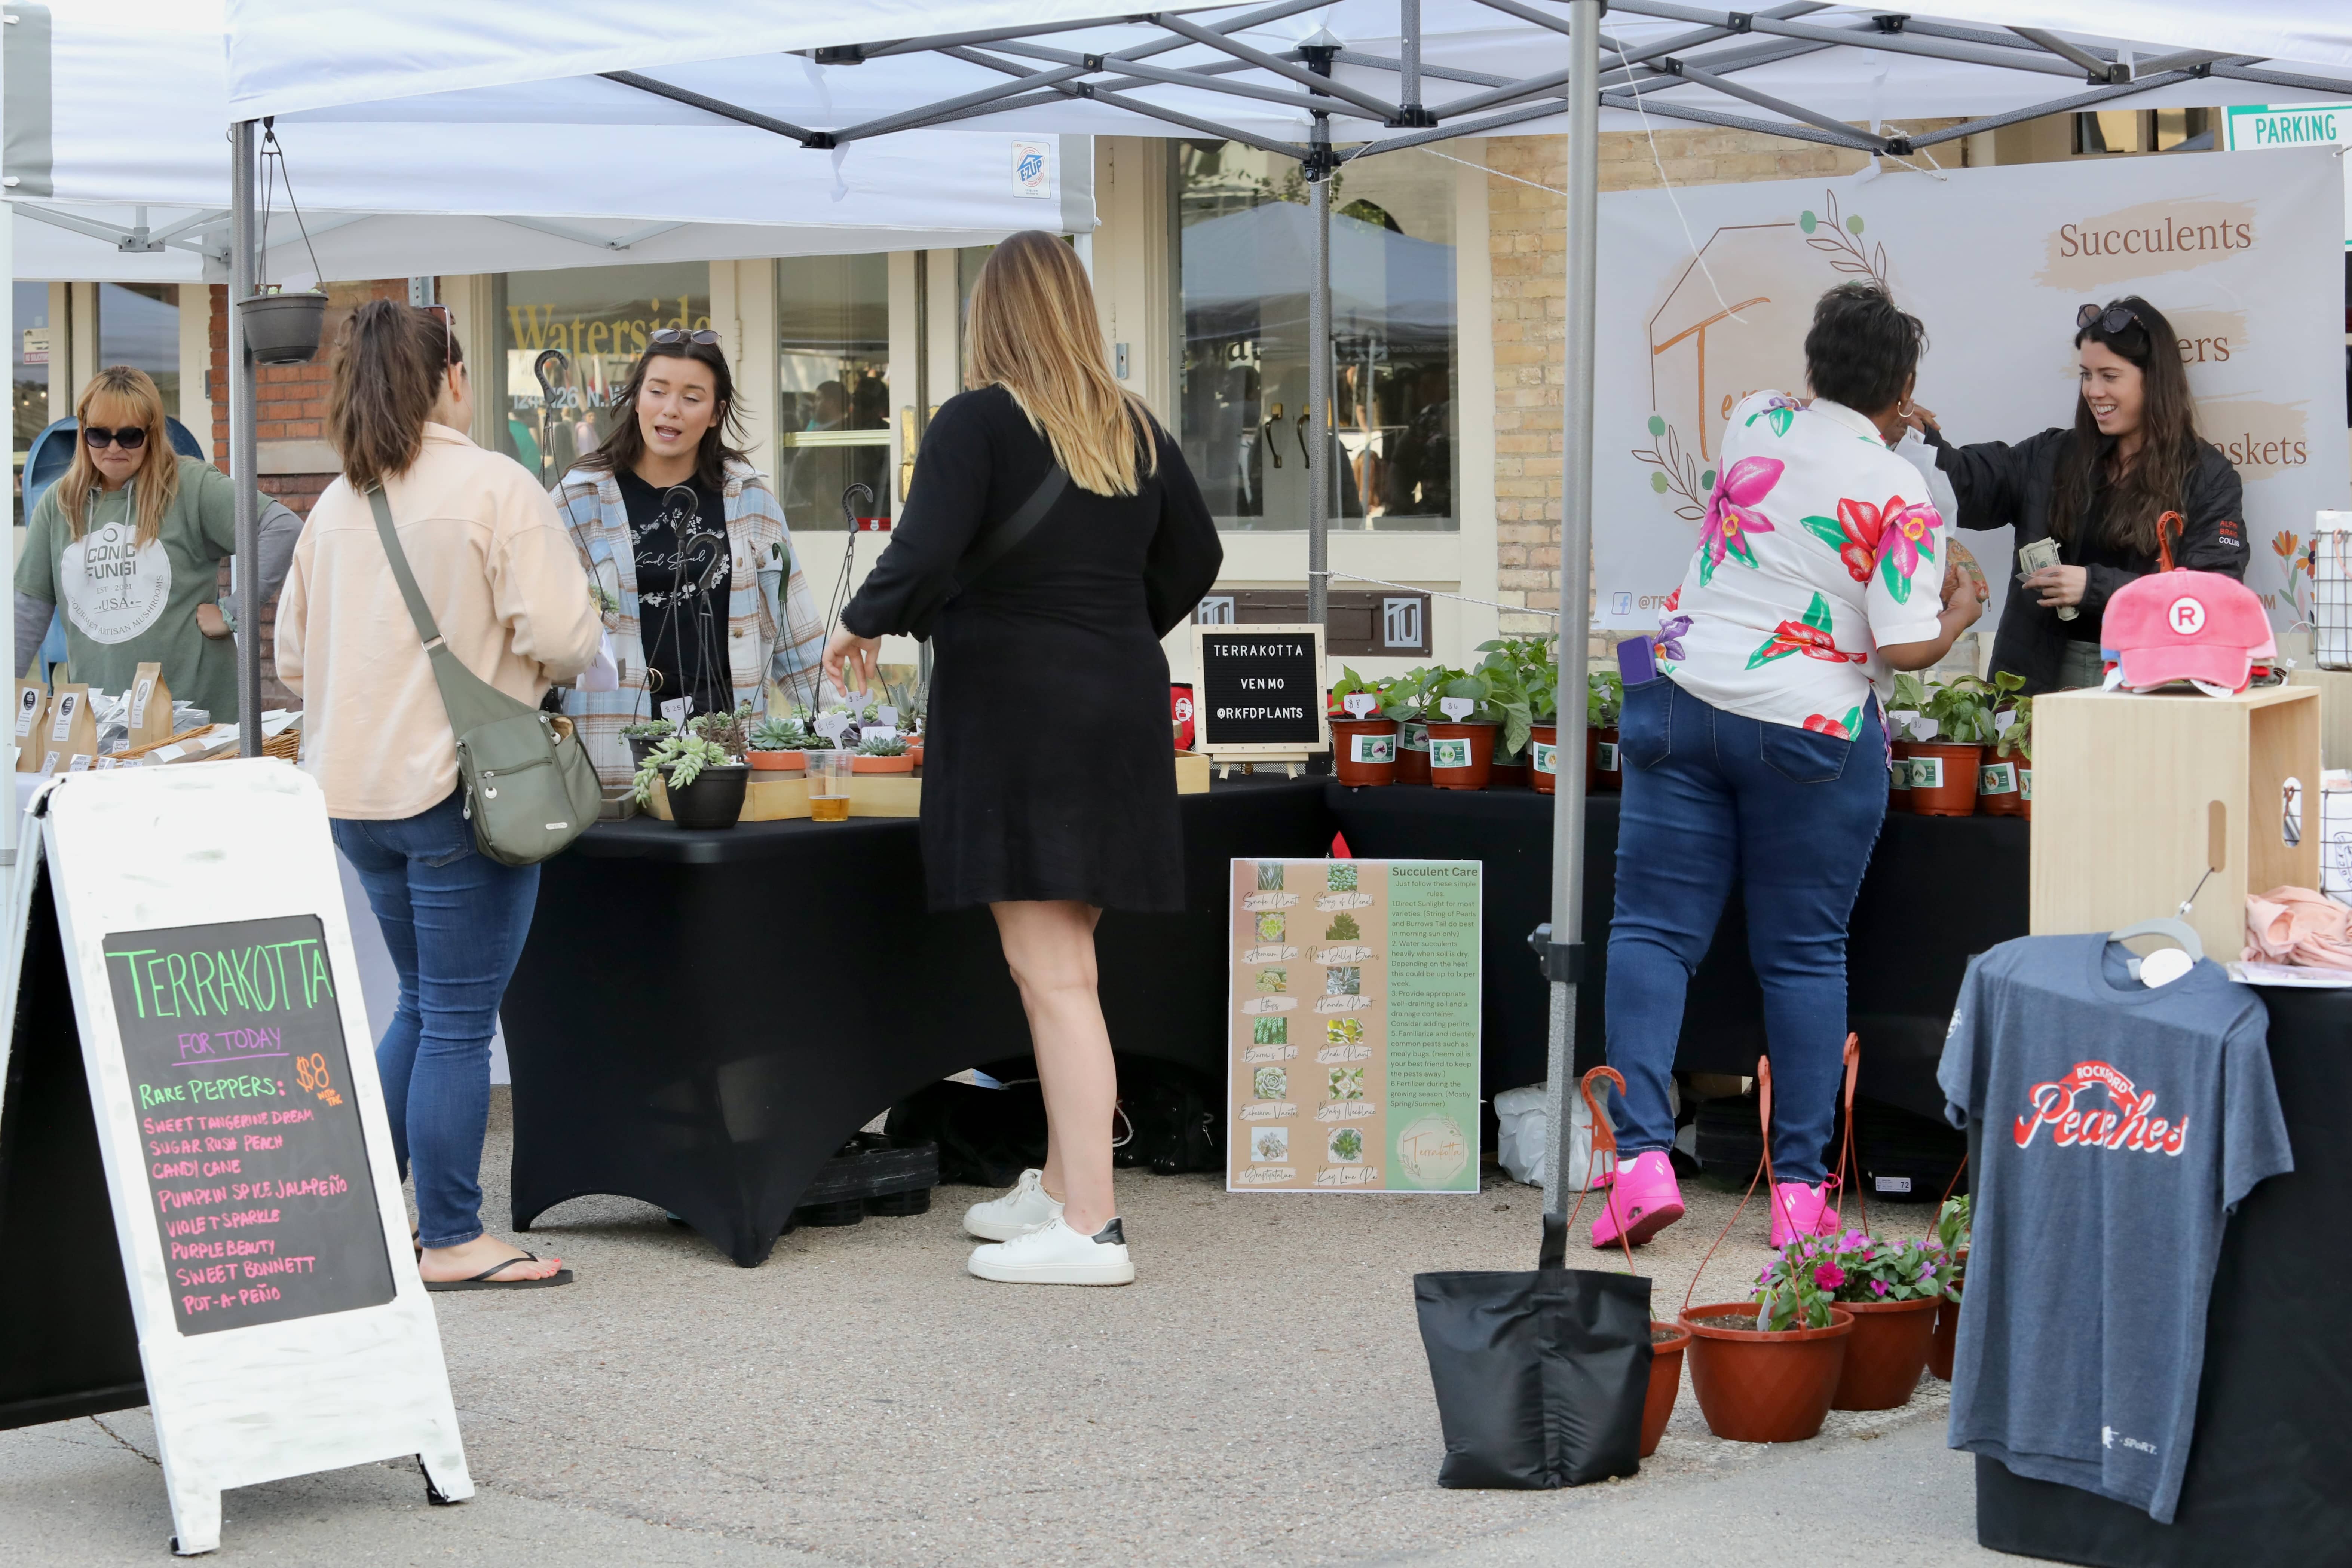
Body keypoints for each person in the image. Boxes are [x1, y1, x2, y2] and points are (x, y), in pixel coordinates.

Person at [823, 231, 1222, 1287]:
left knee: (1052, 977)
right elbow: (1200, 557)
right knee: (1065, 964)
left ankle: (1091, 1225)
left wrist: (863, 622)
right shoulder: (1131, 425)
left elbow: (925, 548)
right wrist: (1105, 627)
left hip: (1016, 714)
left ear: (989, 317)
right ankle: (1056, 1182)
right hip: (1115, 706)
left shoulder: (977, 422)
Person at [1597, 281, 1985, 1251]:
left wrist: (1872, 400)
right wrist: (1960, 614)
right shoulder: (1901, 493)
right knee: (1803, 955)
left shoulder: (1754, 423)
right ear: (1903, 390)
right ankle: (1802, 1202)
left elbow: (1795, 403)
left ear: (1816, 367)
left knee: (1650, 933)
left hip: (1680, 699)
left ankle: (1640, 1163)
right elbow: (1900, 647)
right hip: (1809, 728)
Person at [277, 300, 602, 1290]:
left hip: (354, 798)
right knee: (460, 1021)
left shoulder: (339, 502)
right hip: (464, 794)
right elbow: (567, 637)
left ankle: (362, 1210)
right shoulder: (495, 486)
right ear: (454, 380)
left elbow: (293, 661)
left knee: (423, 1006)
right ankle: (453, 1235)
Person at [1914, 296, 2247, 692]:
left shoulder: (2208, 476)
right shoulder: (2052, 455)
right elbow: (1969, 485)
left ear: (2154, 380)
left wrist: (2094, 588)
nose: (2093, 391)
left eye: (2109, 375)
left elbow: (2213, 594)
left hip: (2147, 682)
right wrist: (1917, 436)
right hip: (2039, 679)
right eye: (2086, 375)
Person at [554, 330, 825, 784]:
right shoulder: (579, 499)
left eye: (692, 397)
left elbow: (797, 638)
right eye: (657, 391)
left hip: (724, 741)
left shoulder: (749, 497)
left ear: (717, 413)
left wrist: (836, 738)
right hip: (611, 744)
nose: (671, 409)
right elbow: (542, 631)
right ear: (637, 398)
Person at [13, 365, 301, 721]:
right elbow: (28, 609)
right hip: (101, 725)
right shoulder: (61, 503)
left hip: (197, 722)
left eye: (130, 436)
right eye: (99, 435)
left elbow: (282, 528)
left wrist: (234, 612)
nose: (114, 448)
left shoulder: (190, 485)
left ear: (152, 433)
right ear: (83, 434)